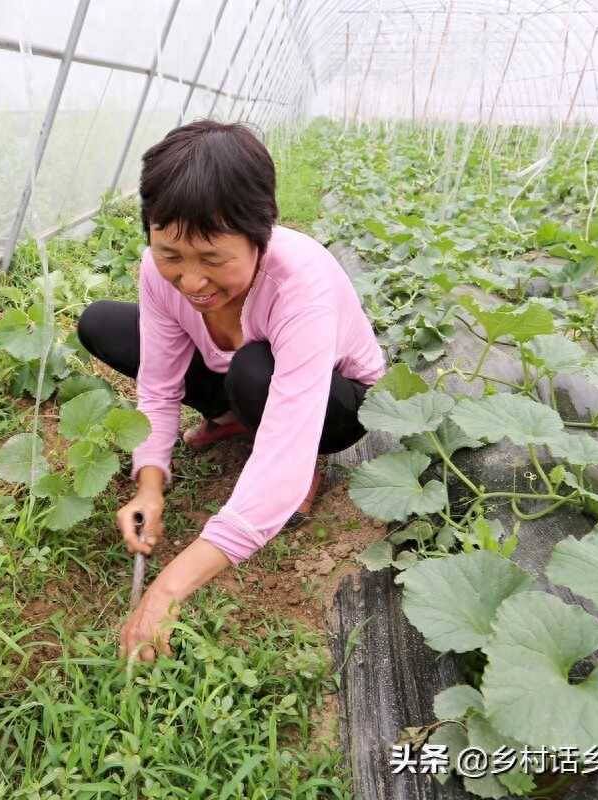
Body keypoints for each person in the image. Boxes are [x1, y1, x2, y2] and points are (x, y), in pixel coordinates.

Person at [76, 120, 386, 663]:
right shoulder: (158, 272)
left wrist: (169, 588)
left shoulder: (300, 287)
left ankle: (289, 446)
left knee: (254, 371)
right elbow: (158, 383)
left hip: (338, 402)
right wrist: (150, 483)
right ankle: (236, 416)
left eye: (213, 259)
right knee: (104, 323)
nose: (191, 281)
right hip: (242, 371)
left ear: (260, 234)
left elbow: (280, 453)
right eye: (171, 253)